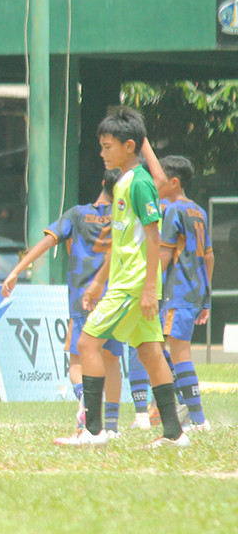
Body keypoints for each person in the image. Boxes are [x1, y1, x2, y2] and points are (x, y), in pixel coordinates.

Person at [72, 106, 188, 447]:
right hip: (126, 281)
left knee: (86, 343)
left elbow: (155, 236)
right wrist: (97, 281)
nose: (102, 152)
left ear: (129, 146)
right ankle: (174, 434)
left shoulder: (138, 184)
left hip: (134, 285)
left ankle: (93, 432)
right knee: (150, 352)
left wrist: (150, 288)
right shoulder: (124, 182)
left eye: (108, 146)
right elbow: (123, 240)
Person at [1, 169, 126, 435]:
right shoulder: (123, 217)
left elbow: (48, 242)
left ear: (103, 183)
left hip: (83, 299)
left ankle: (85, 400)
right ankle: (113, 426)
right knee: (112, 359)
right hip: (114, 298)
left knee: (78, 362)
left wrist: (16, 271)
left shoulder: (77, 213)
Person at [129, 156, 214, 432]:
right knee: (161, 346)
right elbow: (209, 256)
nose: (155, 184)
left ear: (173, 182)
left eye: (159, 179)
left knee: (177, 352)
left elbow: (164, 252)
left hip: (178, 291)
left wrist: (148, 287)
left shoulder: (174, 211)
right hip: (194, 291)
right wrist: (206, 296)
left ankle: (198, 419)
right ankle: (179, 405)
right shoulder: (198, 211)